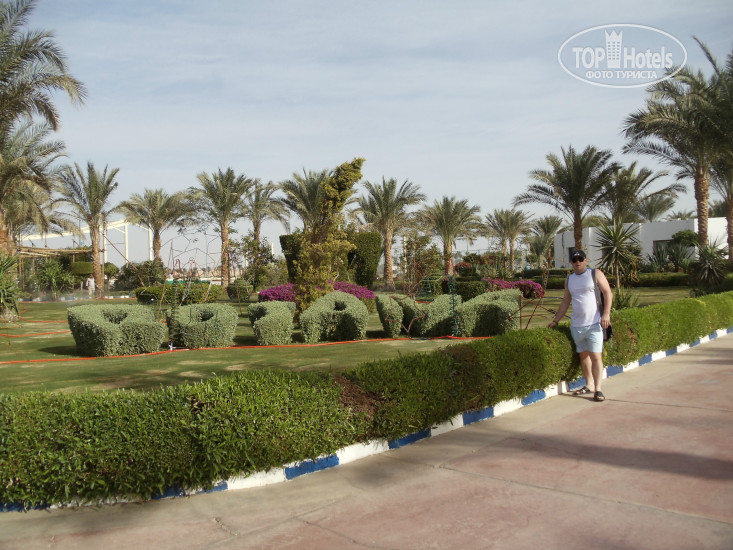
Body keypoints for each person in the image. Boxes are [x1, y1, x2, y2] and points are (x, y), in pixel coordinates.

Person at [548, 249, 612, 402]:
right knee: (583, 356)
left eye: (580, 259)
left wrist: (606, 314)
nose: (577, 262)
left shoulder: (595, 273)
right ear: (571, 262)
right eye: (574, 260)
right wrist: (556, 320)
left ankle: (598, 389)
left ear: (586, 260)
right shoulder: (569, 280)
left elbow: (608, 292)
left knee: (596, 356)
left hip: (594, 323)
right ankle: (589, 384)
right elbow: (565, 301)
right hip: (577, 325)